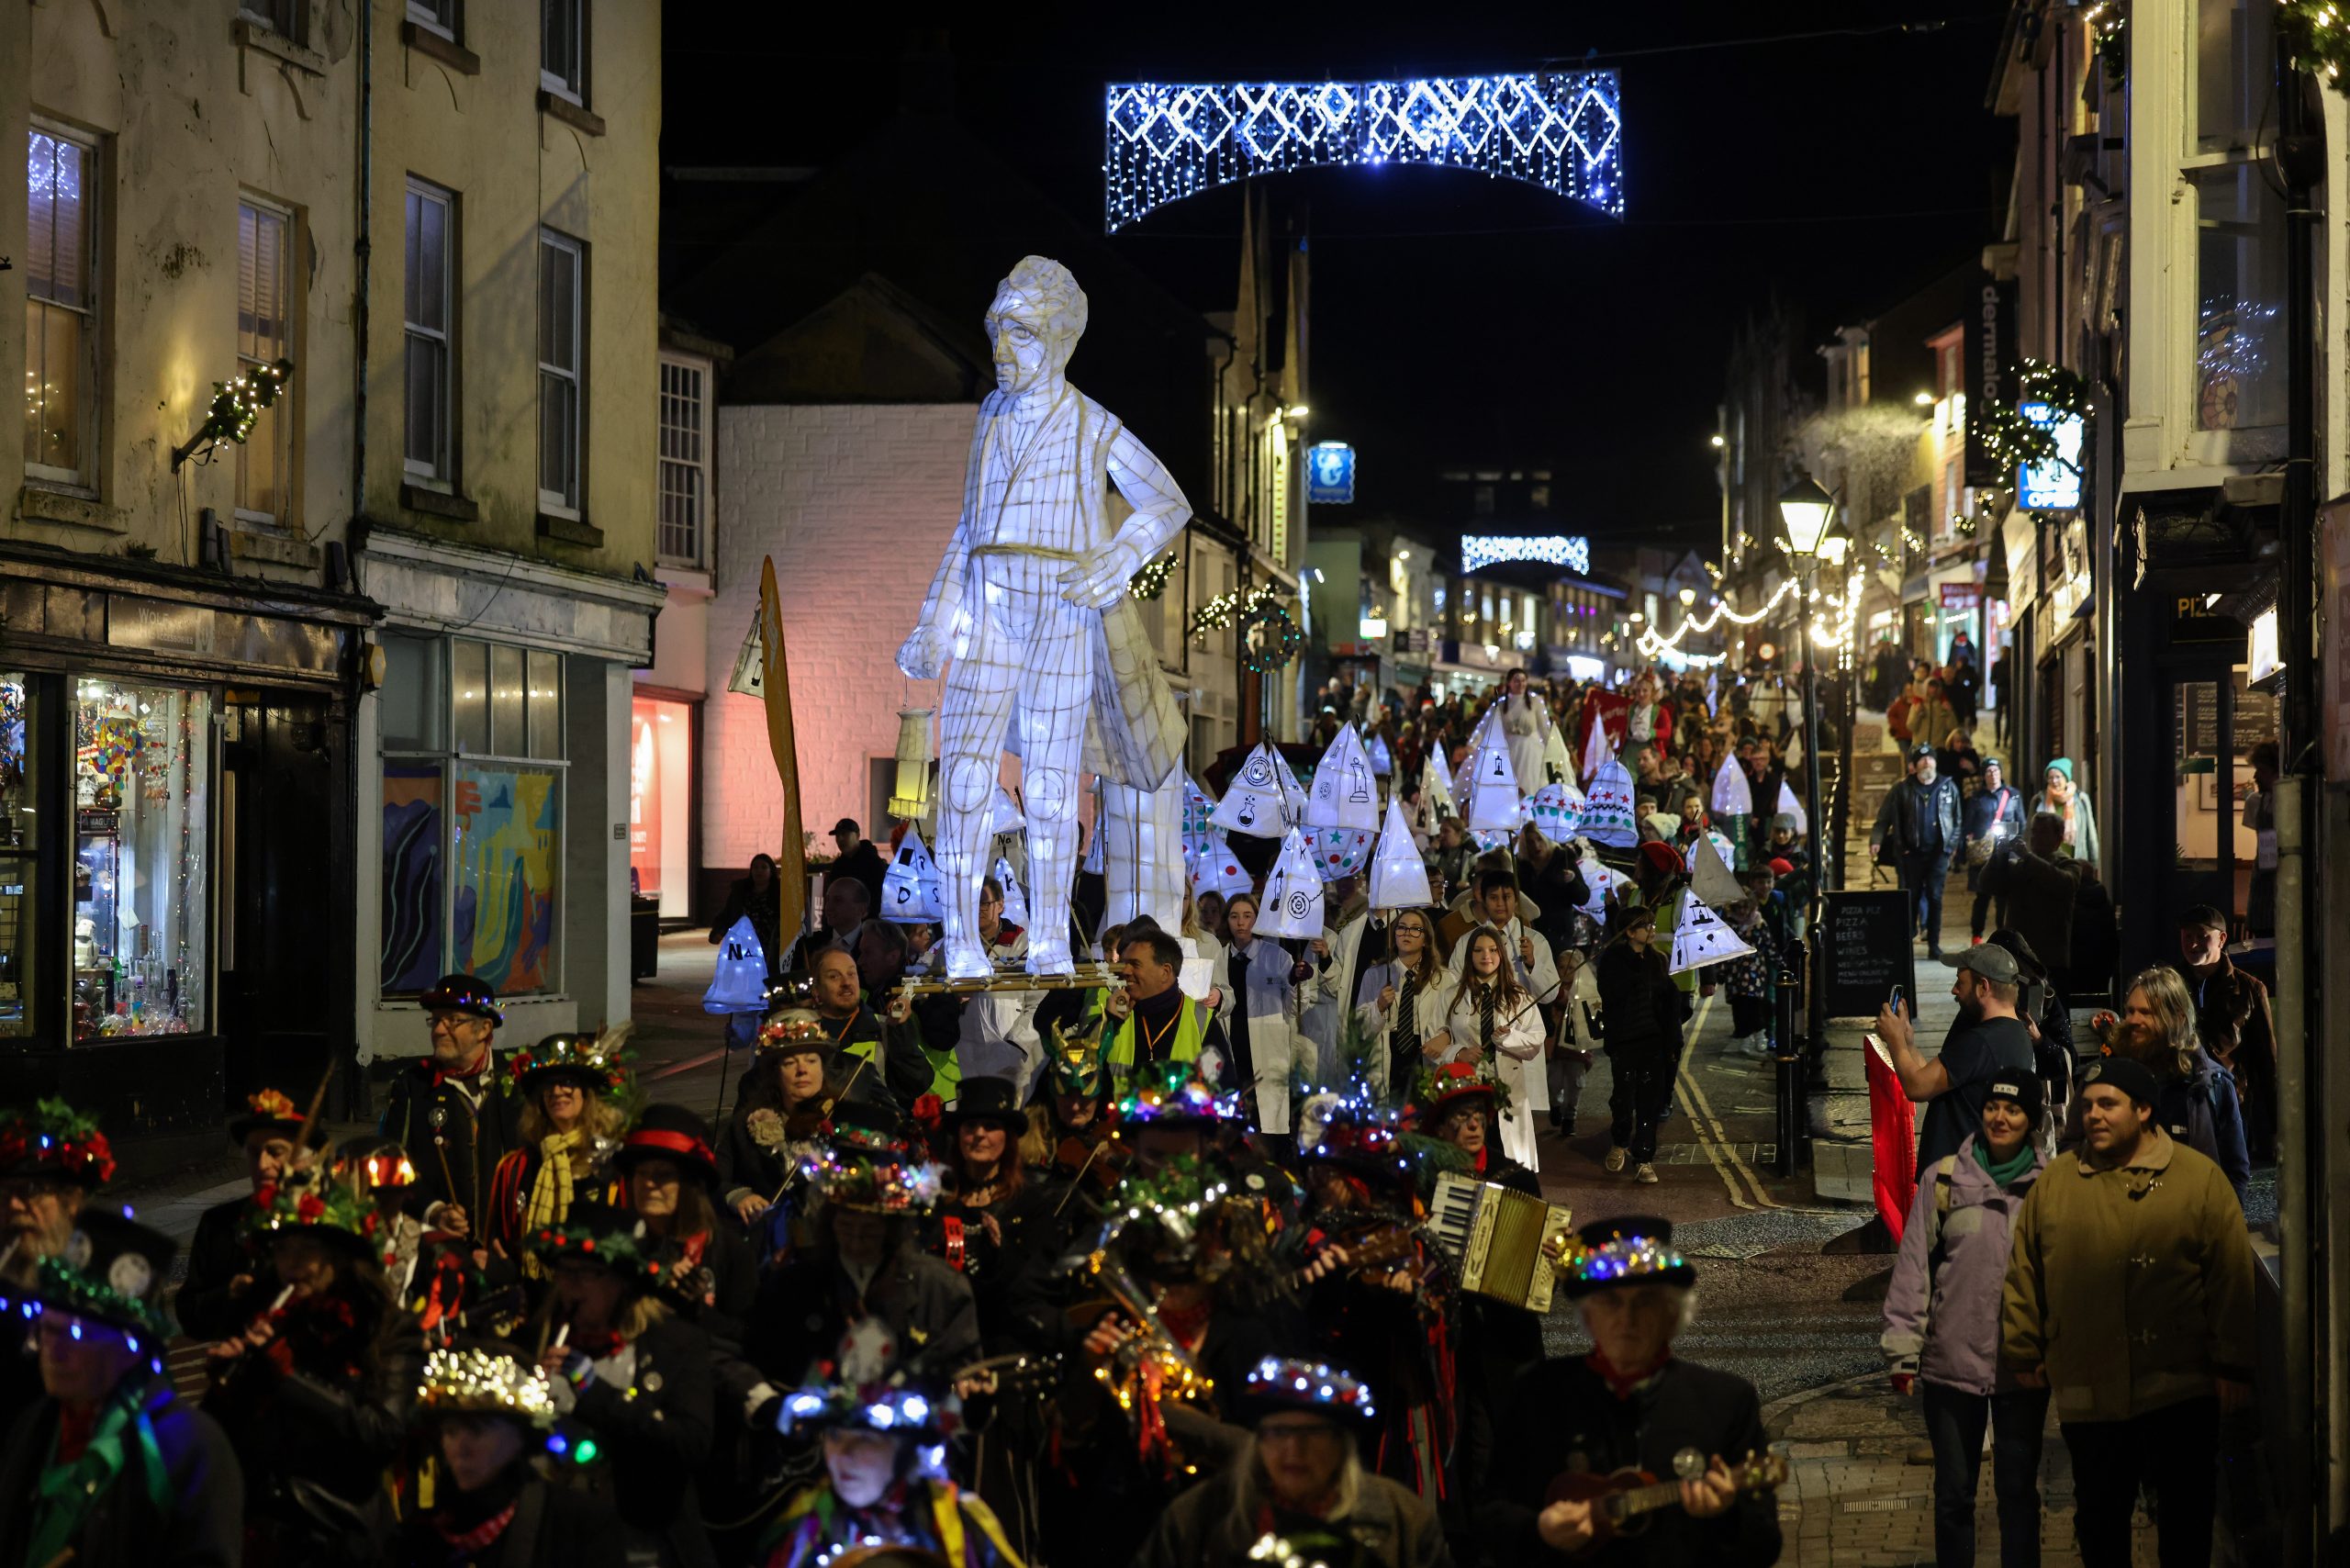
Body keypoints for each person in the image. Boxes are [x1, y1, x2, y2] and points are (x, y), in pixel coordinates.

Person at [2003, 1057, 2256, 1568]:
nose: (2092, 1115)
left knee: (2186, 1526)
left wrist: (2232, 1363)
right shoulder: (2057, 1184)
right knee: (2100, 1526)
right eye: (2088, 1104)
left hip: (2180, 1390)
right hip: (2091, 1392)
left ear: (2143, 1110)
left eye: (2107, 1104)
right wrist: (2023, 1344)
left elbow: (2230, 1276)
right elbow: (2024, 1269)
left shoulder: (2198, 1180)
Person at [1480, 1217, 1780, 1566]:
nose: (1627, 1318)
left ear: (1673, 1314)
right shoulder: (1537, 1393)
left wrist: (1726, 1516)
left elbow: (1764, 1546)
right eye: (1610, 1301)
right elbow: (1488, 1516)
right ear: (1588, 1316)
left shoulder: (1726, 1401)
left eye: (1646, 1301)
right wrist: (1537, 1532)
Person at [0, 1204, 242, 1567]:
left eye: (78, 1333)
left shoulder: (188, 1447)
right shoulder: (31, 1427)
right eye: (48, 1328)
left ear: (131, 1348)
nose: (55, 1351)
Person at [204, 1167, 420, 1561]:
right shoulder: (265, 1311)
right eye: (283, 1250)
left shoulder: (388, 1329)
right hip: (261, 1532)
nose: (291, 1264)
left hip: (341, 1534)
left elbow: (382, 1435)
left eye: (305, 1250)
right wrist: (226, 1386)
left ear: (339, 1256)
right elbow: (225, 1434)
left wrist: (288, 1379)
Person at [1883, 1075, 2049, 1568]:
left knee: (2018, 1493)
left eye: (2013, 1110)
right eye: (1993, 1106)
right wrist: (1902, 1349)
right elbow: (1913, 1266)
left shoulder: (2051, 1187)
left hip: (2023, 1367)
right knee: (1954, 1496)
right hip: (1951, 1363)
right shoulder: (1945, 1179)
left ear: (2031, 1121)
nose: (2000, 1117)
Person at [527, 1201, 716, 1568]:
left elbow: (691, 1443)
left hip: (641, 1538)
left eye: (586, 1273)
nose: (570, 1285)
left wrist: (595, 1393)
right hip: (554, 1539)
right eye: (564, 1272)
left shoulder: (674, 1344)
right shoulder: (539, 1337)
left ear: (621, 1280)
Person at [1136, 1358, 1449, 1568]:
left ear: (1342, 1444)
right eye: (1279, 1432)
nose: (1293, 1450)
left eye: (1313, 1434)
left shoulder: (1403, 1518)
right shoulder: (1197, 1516)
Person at [749, 1109, 979, 1391]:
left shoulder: (940, 1288)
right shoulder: (793, 1286)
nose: (858, 1234)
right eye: (847, 1220)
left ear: (893, 1228)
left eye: (870, 1225)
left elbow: (963, 1371)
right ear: (829, 1222)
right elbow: (767, 1365)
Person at [399, 1340, 623, 1567]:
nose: (460, 1448)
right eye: (450, 1431)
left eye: (477, 1431)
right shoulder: (420, 1535)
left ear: (522, 1436)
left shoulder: (579, 1528)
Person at [760, 1383, 1021, 1568]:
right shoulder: (805, 1522)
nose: (843, 1454)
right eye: (835, 1436)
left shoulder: (958, 1517)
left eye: (865, 1439)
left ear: (906, 1450)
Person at [2089, 967, 2251, 1203]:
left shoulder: (2211, 1085)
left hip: (2190, 1227)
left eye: (2147, 1013)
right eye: (2130, 1011)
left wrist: (2220, 1226)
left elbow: (2235, 1171)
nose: (2133, 1020)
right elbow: (2075, 1148)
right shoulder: (2108, 1078)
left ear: (2178, 1018)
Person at [181, 1092, 331, 1342]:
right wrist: (227, 1294)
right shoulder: (219, 1224)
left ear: (307, 1160)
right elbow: (190, 1317)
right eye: (254, 1152)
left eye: (276, 1152)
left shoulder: (331, 1223)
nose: (262, 1164)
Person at [382, 972, 521, 1242]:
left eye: (452, 1021)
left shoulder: (518, 1080)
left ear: (484, 1029)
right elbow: (394, 1164)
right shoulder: (413, 1086)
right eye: (435, 1021)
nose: (438, 1030)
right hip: (442, 1247)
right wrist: (433, 1211)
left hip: (509, 1244)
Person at [1875, 944, 2034, 1170]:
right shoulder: (2014, 1033)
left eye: (1960, 982)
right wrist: (1908, 1043)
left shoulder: (1982, 1041)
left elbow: (1917, 1087)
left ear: (1983, 987)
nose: (1954, 990)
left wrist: (1894, 1040)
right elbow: (1934, 1084)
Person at [485, 1030, 632, 1268]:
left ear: (588, 1094)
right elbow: (499, 1245)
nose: (556, 1092)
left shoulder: (615, 1164)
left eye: (568, 1082)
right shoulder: (516, 1167)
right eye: (548, 1085)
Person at [617, 1103, 758, 1330]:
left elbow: (748, 1338)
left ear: (690, 1185)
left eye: (663, 1175)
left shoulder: (730, 1252)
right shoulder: (618, 1247)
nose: (649, 1184)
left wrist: (695, 1307)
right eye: (642, 1173)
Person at [1433, 926, 1547, 1171]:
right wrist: (1457, 1053)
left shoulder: (1518, 996)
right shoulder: (1452, 995)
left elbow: (1536, 1040)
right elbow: (1435, 1040)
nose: (1487, 956)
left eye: (1493, 950)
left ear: (1501, 954)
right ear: (1469, 955)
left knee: (1506, 1162)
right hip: (1468, 1087)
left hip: (1506, 1090)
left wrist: (1508, 1038)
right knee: (1471, 1157)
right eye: (1479, 950)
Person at [2175, 903, 2276, 1162]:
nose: (2194, 944)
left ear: (2221, 939)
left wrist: (2278, 1126)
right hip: (2178, 1099)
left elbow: (2267, 1059)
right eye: (2188, 937)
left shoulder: (2249, 989)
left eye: (2202, 936)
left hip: (2230, 1102)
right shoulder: (2169, 984)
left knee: (2229, 1178)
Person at [1595, 906, 1686, 1185]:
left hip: (1653, 1043)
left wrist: (1672, 1041)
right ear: (1630, 932)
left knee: (1650, 1101)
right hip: (1625, 1042)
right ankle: (1620, 1141)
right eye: (1645, 925)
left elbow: (1671, 1003)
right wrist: (1636, 966)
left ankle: (1644, 1158)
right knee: (1623, 1097)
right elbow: (1612, 993)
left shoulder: (1658, 960)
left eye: (1651, 925)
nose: (1652, 930)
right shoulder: (1612, 960)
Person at [1101, 927, 1230, 1095]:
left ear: (1165, 972)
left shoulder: (1202, 1019)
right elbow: (1086, 1078)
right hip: (1121, 1121)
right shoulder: (1115, 1013)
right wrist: (1110, 1023)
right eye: (1125, 964)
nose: (1125, 971)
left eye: (1135, 965)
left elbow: (1225, 1094)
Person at [1214, 894, 1301, 1135]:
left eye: (1247, 916)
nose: (1241, 923)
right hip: (1234, 1045)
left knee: (1271, 1120)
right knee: (1239, 1117)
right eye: (1234, 916)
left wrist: (1295, 981)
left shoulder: (1278, 957)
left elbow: (1295, 1007)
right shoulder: (1219, 958)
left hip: (1268, 1046)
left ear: (1258, 919)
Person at [1356, 906, 1457, 1105]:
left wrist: (1445, 1036)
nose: (1407, 933)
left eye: (1415, 929)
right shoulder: (1375, 975)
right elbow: (1360, 1029)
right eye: (1401, 928)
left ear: (1426, 939)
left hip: (1424, 1054)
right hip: (1388, 1056)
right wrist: (1379, 1006)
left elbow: (1457, 1022)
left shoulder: (1444, 978)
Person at [810, 946, 934, 1106]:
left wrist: (899, 1030)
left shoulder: (884, 1027)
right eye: (834, 976)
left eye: (851, 974)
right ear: (816, 990)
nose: (846, 982)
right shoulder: (802, 1034)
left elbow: (917, 1083)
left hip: (873, 1129)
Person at [1872, 744, 1963, 959]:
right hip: (1909, 854)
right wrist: (1876, 840)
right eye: (1922, 759)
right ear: (1915, 765)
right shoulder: (1902, 788)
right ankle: (1906, 941)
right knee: (1909, 899)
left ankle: (1934, 943)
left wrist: (1950, 847)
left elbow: (1957, 820)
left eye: (1930, 758)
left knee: (1935, 896)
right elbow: (1883, 818)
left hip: (1937, 854)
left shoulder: (1948, 786)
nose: (1927, 762)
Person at [1962, 756, 2022, 944]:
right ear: (1983, 776)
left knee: (2003, 898)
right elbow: (1968, 825)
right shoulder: (1977, 797)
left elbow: (2022, 822)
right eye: (1988, 771)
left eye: (1996, 771)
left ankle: (2003, 936)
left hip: (2007, 854)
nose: (1993, 774)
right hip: (1984, 856)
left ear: (2001, 773)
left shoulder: (2013, 795)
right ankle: (1977, 935)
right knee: (1982, 896)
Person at [708, 853, 785, 978]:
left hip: (770, 943)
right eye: (755, 867)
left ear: (771, 871)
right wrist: (718, 932)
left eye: (764, 867)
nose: (759, 871)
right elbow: (729, 913)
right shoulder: (741, 892)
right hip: (743, 942)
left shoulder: (779, 893)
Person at [779, 877, 872, 977]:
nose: (828, 907)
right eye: (827, 899)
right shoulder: (809, 944)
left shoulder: (875, 944)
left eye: (838, 900)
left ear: (861, 909)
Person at [2033, 758, 2099, 872]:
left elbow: (2091, 831)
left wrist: (2093, 861)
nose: (2054, 781)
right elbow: (2031, 832)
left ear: (2066, 778)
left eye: (2058, 777)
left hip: (2076, 858)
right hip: (2048, 861)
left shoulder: (2081, 799)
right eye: (2050, 777)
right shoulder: (2039, 800)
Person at [2244, 741, 2279, 939]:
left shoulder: (2293, 800)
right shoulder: (2255, 802)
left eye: (2261, 770)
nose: (2255, 776)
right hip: (2261, 884)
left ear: (2276, 771)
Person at [1497, 666, 1552, 795]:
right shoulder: (1501, 704)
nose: (1520, 684)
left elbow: (1544, 728)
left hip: (1530, 752)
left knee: (1529, 783)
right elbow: (1486, 727)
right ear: (1509, 683)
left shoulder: (1536, 701)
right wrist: (1472, 744)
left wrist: (1551, 747)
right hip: (1509, 751)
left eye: (1523, 680)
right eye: (1516, 680)